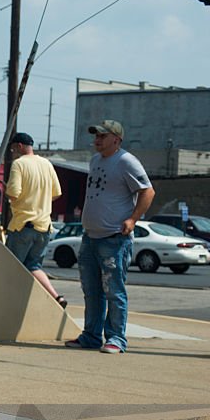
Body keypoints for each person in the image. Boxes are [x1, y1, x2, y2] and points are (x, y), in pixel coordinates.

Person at [66, 120, 154, 354]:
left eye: (102, 136)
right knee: (91, 290)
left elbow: (148, 190)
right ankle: (91, 335)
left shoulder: (126, 161)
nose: (97, 139)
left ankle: (116, 338)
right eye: (95, 135)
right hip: (90, 236)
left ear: (116, 139)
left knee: (113, 290)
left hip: (114, 238)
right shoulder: (95, 160)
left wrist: (133, 219)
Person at [5, 132, 67, 308]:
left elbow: (13, 194)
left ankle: (11, 305)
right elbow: (56, 193)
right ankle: (56, 297)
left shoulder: (19, 164)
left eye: (13, 148)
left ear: (19, 146)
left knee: (12, 267)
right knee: (34, 265)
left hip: (23, 225)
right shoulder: (46, 163)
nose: (12, 152)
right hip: (44, 226)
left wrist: (7, 191)